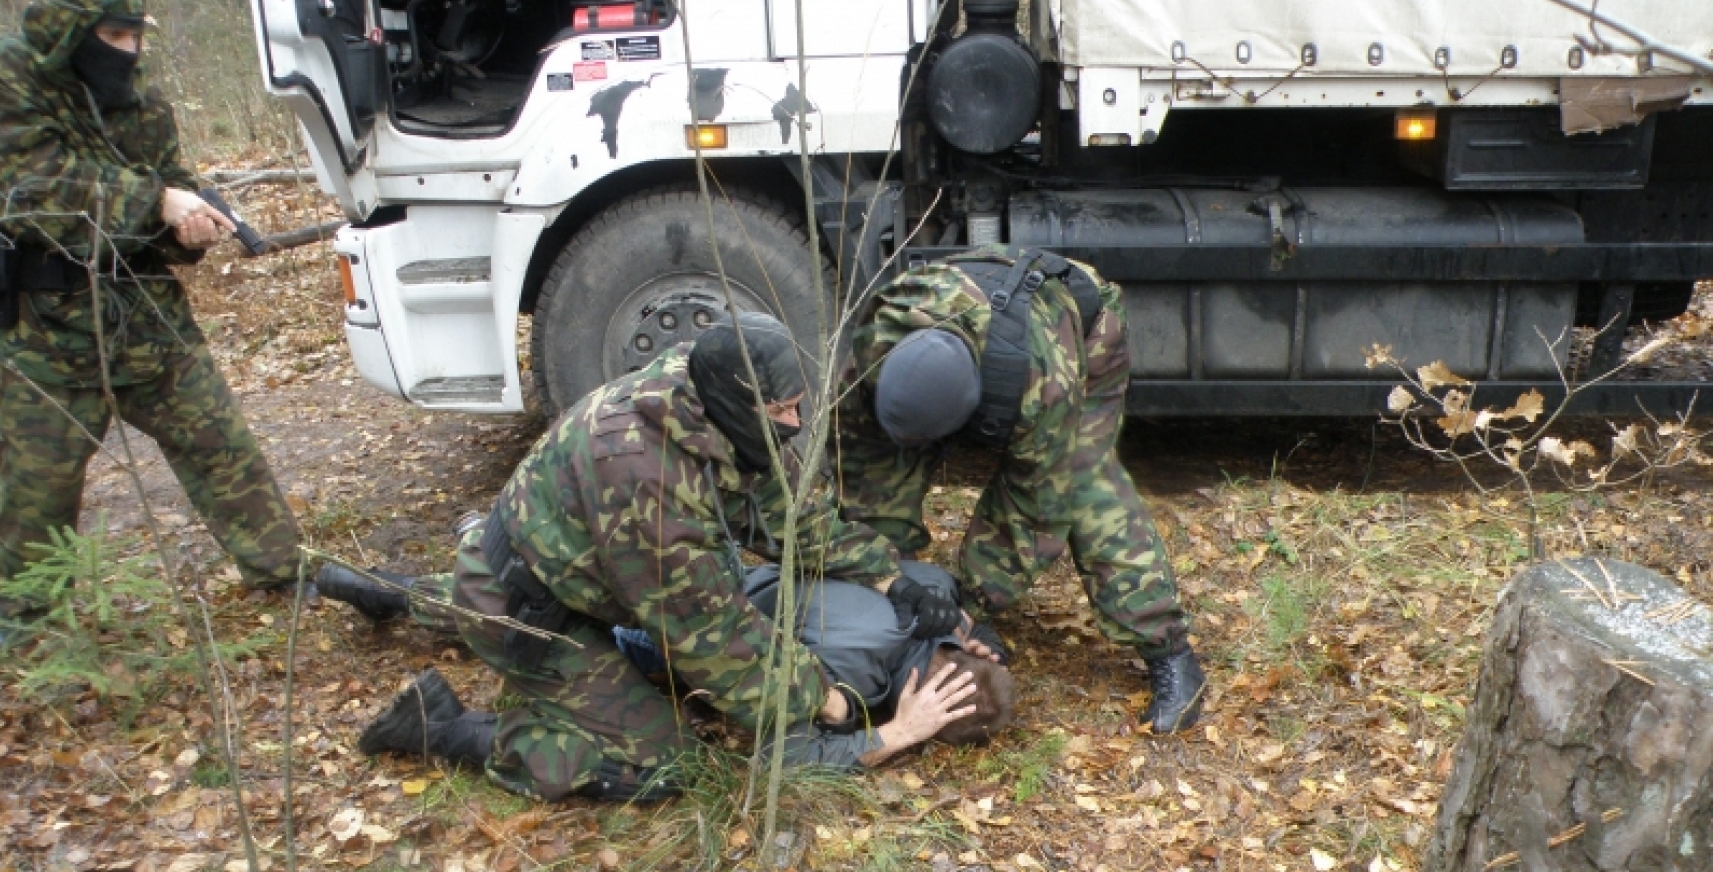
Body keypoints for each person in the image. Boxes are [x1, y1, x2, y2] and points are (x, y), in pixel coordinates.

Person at [321, 314, 991, 802]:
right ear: (742, 402)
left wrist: (890, 578)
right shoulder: (653, 484)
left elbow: (792, 515)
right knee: (661, 764)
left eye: (797, 404)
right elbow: (717, 644)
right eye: (783, 409)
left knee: (527, 602)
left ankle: (396, 593)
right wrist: (838, 708)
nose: (796, 420)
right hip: (537, 609)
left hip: (558, 568)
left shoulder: (702, 394)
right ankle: (444, 726)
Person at [0, 0, 301, 643]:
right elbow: (32, 191)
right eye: (111, 35)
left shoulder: (141, 103)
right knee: (37, 491)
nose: (128, 51)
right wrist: (157, 201)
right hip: (44, 332)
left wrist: (189, 232)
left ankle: (284, 574)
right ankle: (21, 624)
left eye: (134, 35)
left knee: (226, 454)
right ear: (68, 33)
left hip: (147, 317)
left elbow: (171, 193)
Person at [835, 245, 1206, 732]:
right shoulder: (875, 349)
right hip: (976, 314)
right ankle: (898, 621)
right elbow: (860, 465)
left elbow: (1031, 514)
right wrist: (894, 581)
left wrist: (966, 609)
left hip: (1079, 331)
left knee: (1088, 486)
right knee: (874, 482)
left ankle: (1169, 650)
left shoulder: (1039, 386)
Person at [613, 558, 1016, 746]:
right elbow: (793, 751)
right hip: (691, 622)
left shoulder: (935, 596)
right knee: (630, 645)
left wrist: (984, 639)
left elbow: (963, 617)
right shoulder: (851, 670)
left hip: (728, 570)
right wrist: (897, 733)